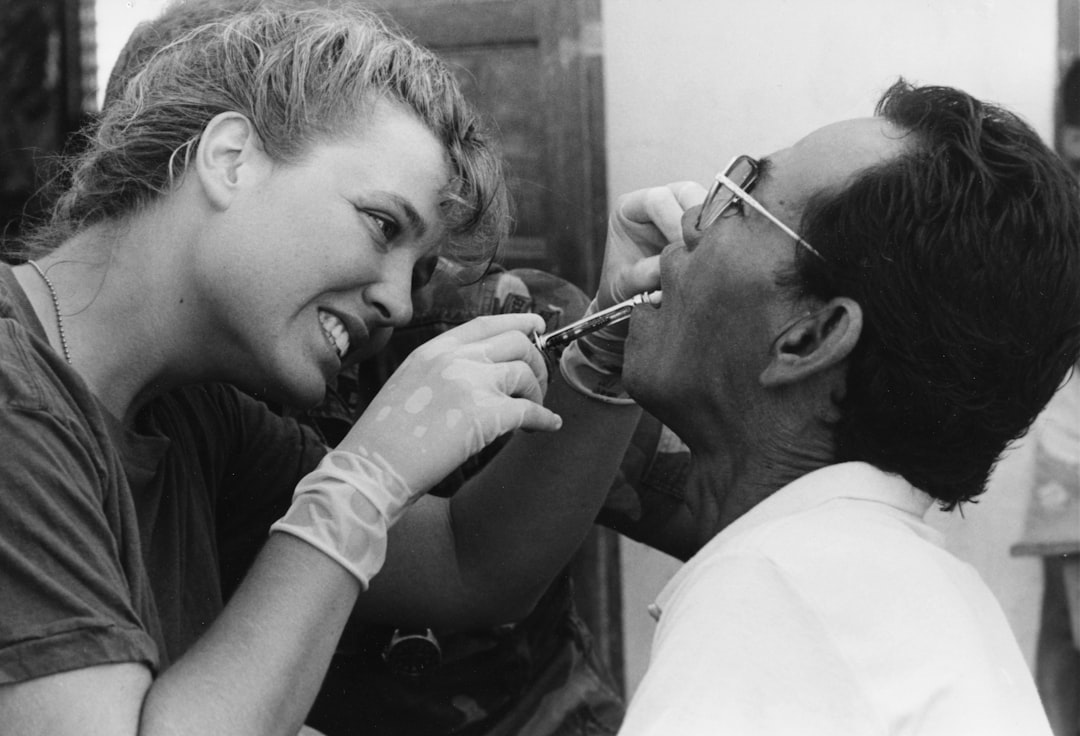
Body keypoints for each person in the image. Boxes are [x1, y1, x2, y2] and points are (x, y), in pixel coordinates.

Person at [0, 4, 689, 734]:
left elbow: (468, 563)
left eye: (418, 267)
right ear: (230, 158)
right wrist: (363, 479)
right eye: (382, 225)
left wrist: (606, 353)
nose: (398, 301)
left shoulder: (189, 413)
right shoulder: (17, 399)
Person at [612, 80, 1080, 735]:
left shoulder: (767, 600)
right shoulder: (920, 587)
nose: (690, 221)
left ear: (810, 338)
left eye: (740, 200)